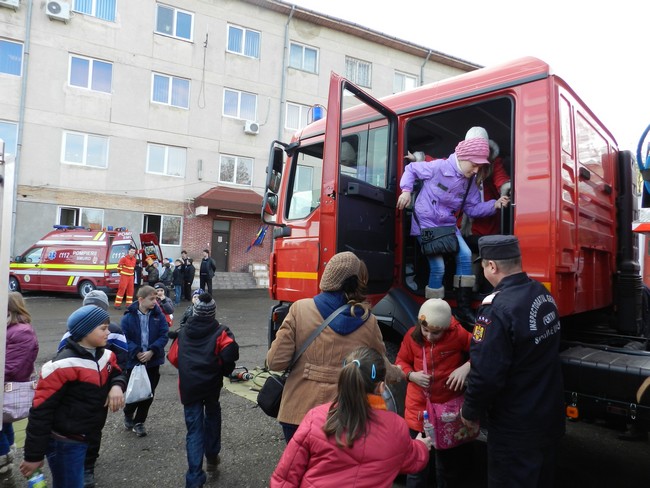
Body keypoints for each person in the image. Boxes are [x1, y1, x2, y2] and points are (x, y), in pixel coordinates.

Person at [460, 235, 565, 488]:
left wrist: (470, 411)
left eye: (483, 265)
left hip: (516, 428)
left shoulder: (495, 308)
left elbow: (486, 373)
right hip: (548, 417)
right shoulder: (541, 293)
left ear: (492, 267)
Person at [266, 251, 404, 443]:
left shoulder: (299, 309)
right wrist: (402, 373)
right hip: (343, 416)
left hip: (297, 413)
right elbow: (382, 369)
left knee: (300, 470)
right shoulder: (367, 321)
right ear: (356, 283)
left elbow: (275, 362)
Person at [271, 346, 431, 488]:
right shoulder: (396, 427)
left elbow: (286, 476)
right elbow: (410, 460)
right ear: (382, 387)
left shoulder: (316, 418)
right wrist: (422, 446)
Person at [397, 137, 510, 327]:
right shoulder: (438, 167)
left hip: (448, 224)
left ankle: (463, 309)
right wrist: (406, 191)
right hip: (426, 224)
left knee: (465, 255)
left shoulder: (470, 182)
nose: (476, 170)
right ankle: (433, 310)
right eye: (474, 165)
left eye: (479, 167)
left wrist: (494, 205)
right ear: (463, 157)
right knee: (438, 266)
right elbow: (411, 169)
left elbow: (472, 209)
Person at [20, 305, 126, 488]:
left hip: (88, 434)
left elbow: (117, 372)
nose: (109, 332)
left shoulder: (107, 355)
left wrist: (117, 386)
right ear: (85, 331)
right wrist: (33, 456)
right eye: (103, 328)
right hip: (65, 442)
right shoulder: (60, 366)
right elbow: (41, 412)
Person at [396, 299, 472, 488]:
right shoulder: (411, 338)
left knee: (446, 464)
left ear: (446, 328)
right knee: (416, 464)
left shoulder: (458, 334)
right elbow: (400, 361)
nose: (429, 336)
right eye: (425, 330)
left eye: (436, 332)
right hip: (418, 410)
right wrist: (411, 375)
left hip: (446, 411)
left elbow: (480, 350)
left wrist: (466, 367)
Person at [167, 293, 239, 488]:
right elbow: (230, 354)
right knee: (213, 417)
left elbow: (173, 358)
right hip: (211, 386)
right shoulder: (221, 332)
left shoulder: (182, 333)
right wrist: (224, 370)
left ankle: (194, 477)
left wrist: (188, 370)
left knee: (194, 430)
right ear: (212, 313)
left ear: (195, 312)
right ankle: (213, 457)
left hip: (190, 388)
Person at [57, 290, 127, 488]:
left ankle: (88, 466)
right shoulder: (73, 332)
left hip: (100, 394)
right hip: (75, 395)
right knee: (73, 429)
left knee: (94, 430)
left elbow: (121, 362)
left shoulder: (113, 330)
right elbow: (61, 360)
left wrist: (116, 386)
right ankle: (76, 461)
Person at [120, 285, 170, 438]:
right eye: (152, 299)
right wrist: (137, 352)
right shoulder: (128, 317)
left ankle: (139, 422)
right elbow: (124, 338)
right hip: (134, 362)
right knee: (134, 392)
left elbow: (164, 334)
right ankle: (128, 413)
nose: (155, 302)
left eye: (156, 298)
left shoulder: (158, 315)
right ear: (141, 299)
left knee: (148, 393)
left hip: (152, 361)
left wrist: (152, 351)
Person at [1, 292, 39, 485]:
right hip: (7, 389)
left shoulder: (19, 331)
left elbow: (12, 366)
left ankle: (4, 471)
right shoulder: (12, 328)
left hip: (9, 388)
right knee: (4, 424)